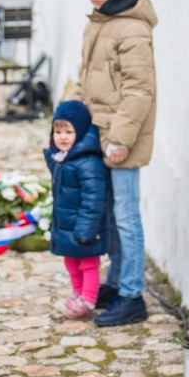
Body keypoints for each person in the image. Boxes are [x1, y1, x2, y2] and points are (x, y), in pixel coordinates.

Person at [70, 0, 157, 327]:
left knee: (126, 215)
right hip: (97, 134)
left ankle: (132, 295)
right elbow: (83, 79)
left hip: (122, 138)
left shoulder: (133, 28)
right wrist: (67, 119)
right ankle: (118, 281)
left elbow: (139, 90)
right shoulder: (98, 23)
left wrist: (120, 140)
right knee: (109, 214)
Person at [43, 100, 112, 320]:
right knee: (71, 263)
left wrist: (86, 230)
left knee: (88, 263)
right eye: (58, 132)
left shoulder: (89, 162)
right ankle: (77, 292)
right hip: (67, 226)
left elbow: (94, 199)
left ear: (80, 132)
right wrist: (48, 153)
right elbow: (55, 167)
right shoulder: (63, 158)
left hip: (84, 227)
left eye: (68, 132)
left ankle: (88, 300)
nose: (62, 137)